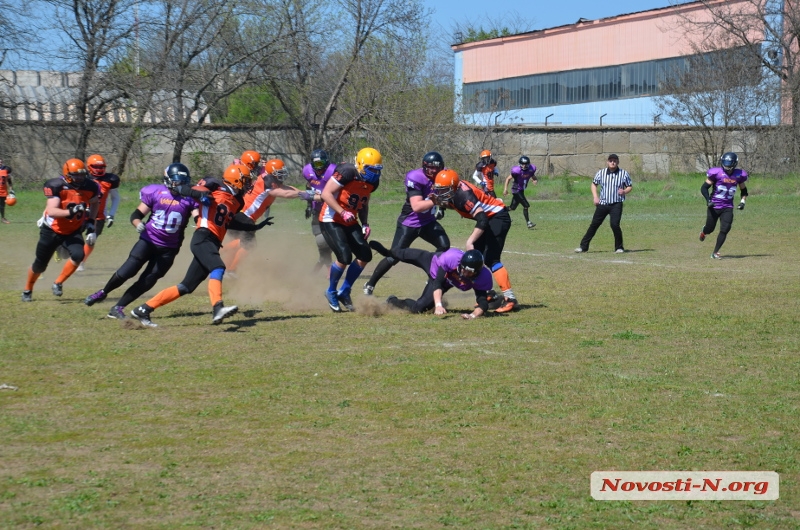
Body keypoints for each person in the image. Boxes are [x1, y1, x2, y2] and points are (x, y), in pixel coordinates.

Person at [129, 164, 273, 327]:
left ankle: (143, 309)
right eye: (245, 180)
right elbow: (185, 188)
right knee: (218, 267)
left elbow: (228, 221)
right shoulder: (214, 185)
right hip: (203, 236)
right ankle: (217, 307)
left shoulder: (237, 201)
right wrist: (200, 195)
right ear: (236, 180)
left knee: (186, 286)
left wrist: (253, 227)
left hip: (213, 241)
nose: (248, 184)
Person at [83, 163, 198, 319]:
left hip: (169, 247)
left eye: (184, 181)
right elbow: (136, 215)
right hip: (148, 240)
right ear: (168, 180)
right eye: (177, 181)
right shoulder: (156, 192)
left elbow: (198, 217)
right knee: (128, 270)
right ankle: (103, 292)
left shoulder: (190, 198)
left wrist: (200, 225)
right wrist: (138, 224)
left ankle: (118, 307)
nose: (181, 185)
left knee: (149, 279)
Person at [432, 168, 519, 313]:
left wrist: (470, 241)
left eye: (443, 190)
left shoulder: (463, 195)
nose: (440, 193)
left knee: (491, 259)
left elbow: (482, 219)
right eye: (439, 190)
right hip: (490, 218)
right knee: (476, 258)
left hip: (497, 217)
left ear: (452, 187)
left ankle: (510, 299)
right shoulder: (455, 192)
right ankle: (488, 293)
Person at [363, 151, 450, 295]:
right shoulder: (416, 177)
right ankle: (370, 284)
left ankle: (433, 275)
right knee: (394, 256)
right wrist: (437, 201)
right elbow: (416, 206)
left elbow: (445, 193)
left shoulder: (443, 176)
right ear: (424, 166)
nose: (434, 171)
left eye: (437, 167)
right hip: (409, 223)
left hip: (428, 222)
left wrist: (441, 208)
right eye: (431, 168)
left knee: (444, 246)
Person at [21, 159, 100, 302]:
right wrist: (72, 211)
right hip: (52, 230)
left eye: (82, 175)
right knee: (40, 265)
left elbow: (95, 202)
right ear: (67, 174)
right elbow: (51, 211)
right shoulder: (56, 185)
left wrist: (90, 222)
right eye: (76, 175)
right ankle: (28, 289)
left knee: (78, 255)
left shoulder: (90, 186)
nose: (80, 178)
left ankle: (58, 282)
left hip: (73, 230)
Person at [222, 158, 312, 276]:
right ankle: (229, 267)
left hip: (243, 215)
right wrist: (303, 194)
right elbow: (283, 193)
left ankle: (224, 261)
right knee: (249, 244)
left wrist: (305, 192)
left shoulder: (270, 178)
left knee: (242, 242)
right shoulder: (267, 181)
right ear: (273, 172)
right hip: (245, 216)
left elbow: (285, 188)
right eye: (280, 172)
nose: (282, 174)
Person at [319, 147, 382, 312]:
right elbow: (326, 193)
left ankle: (345, 290)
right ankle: (331, 290)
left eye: (377, 169)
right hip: (331, 218)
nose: (374, 173)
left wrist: (365, 223)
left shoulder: (372, 182)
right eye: (371, 169)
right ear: (360, 165)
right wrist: (342, 211)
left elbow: (364, 202)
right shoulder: (347, 171)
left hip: (349, 219)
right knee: (344, 256)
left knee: (365, 255)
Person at [369, 240, 493, 319]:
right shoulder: (452, 258)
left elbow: (482, 302)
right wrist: (438, 305)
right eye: (464, 268)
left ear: (477, 272)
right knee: (400, 254)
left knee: (419, 308)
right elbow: (438, 281)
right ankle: (387, 252)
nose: (464, 273)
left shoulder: (482, 277)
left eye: (469, 272)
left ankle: (392, 301)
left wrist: (472, 315)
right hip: (433, 263)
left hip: (446, 282)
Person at [574, 154, 633, 254]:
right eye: (610, 160)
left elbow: (629, 186)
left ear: (618, 162)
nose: (612, 162)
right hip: (603, 204)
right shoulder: (601, 173)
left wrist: (624, 191)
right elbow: (594, 184)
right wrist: (595, 197)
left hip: (616, 204)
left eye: (614, 160)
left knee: (614, 225)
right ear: (607, 162)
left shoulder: (624, 174)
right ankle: (583, 247)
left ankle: (619, 247)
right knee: (594, 224)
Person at [700, 152, 749, 259]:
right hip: (714, 206)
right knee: (710, 228)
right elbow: (704, 188)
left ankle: (715, 252)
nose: (727, 166)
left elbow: (744, 190)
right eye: (725, 163)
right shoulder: (716, 173)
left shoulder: (739, 175)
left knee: (725, 228)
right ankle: (704, 231)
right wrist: (708, 200)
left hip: (728, 207)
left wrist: (742, 202)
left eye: (729, 163)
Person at [78, 154, 121, 270]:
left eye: (101, 167)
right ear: (89, 167)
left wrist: (111, 214)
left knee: (91, 240)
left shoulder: (110, 180)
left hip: (99, 215)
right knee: (74, 237)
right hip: (81, 213)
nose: (99, 169)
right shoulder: (81, 178)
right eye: (96, 166)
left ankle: (81, 263)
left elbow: (115, 197)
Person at [301, 149, 336, 274]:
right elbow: (309, 186)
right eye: (316, 164)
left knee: (332, 241)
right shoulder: (307, 171)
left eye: (321, 164)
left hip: (331, 210)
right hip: (317, 209)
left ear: (326, 163)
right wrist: (309, 205)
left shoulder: (332, 172)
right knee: (321, 241)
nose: (318, 167)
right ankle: (326, 269)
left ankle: (323, 267)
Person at [503, 155, 538, 229]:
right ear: (520, 164)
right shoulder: (517, 171)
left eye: (526, 164)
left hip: (521, 190)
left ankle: (498, 212)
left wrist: (535, 180)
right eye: (523, 164)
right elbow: (508, 179)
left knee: (512, 208)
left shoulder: (531, 169)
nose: (524, 166)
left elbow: (533, 176)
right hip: (516, 190)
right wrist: (505, 189)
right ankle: (528, 223)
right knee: (526, 205)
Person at [0, 159, 14, 224]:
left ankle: (3, 218)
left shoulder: (5, 171)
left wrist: (11, 190)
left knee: (2, 205)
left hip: (3, 191)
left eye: (1, 162)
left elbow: (9, 181)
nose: (0, 163)